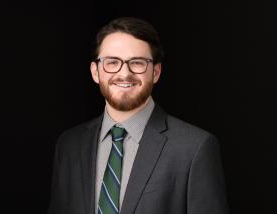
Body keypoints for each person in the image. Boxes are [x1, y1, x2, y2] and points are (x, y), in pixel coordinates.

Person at [48, 17, 229, 214]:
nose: (124, 73)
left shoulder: (194, 148)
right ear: (95, 72)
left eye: (137, 63)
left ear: (156, 72)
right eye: (112, 62)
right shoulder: (69, 145)